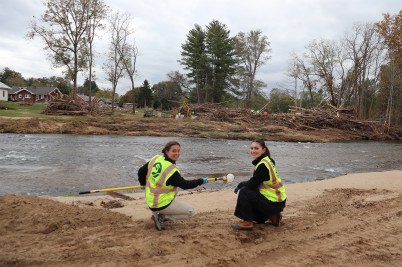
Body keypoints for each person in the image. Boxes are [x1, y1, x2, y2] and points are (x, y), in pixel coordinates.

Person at [138, 140, 208, 231]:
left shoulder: (156, 158)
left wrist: (143, 183)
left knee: (175, 187)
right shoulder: (171, 171)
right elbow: (185, 185)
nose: (177, 153)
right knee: (190, 212)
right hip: (159, 204)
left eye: (178, 151)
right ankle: (162, 216)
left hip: (150, 198)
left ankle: (158, 212)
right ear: (166, 151)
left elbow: (141, 171)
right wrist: (200, 181)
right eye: (174, 151)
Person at [231, 139, 287, 231]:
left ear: (263, 150)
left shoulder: (263, 165)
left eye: (256, 148)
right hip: (277, 202)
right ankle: (273, 216)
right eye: (251, 148)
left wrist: (240, 184)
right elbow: (257, 182)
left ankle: (247, 223)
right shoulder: (268, 160)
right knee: (259, 219)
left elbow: (252, 184)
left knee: (245, 191)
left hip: (274, 203)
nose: (253, 151)